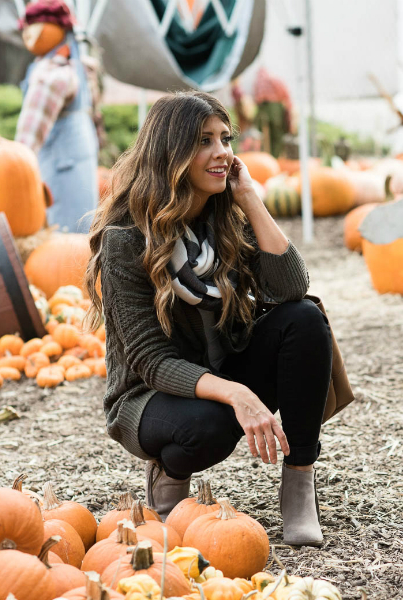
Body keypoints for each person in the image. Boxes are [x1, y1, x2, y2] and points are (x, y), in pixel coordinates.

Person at [84, 92, 332, 547]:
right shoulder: (125, 241)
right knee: (210, 427)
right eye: (204, 141)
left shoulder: (226, 222)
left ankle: (299, 483)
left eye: (225, 138)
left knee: (305, 319)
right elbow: (149, 360)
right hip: (151, 396)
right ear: (170, 155)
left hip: (223, 369)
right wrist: (238, 394)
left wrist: (251, 198)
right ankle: (169, 471)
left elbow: (290, 287)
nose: (222, 152)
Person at [16, 0, 99, 233]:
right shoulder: (80, 65)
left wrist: (16, 167)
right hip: (80, 155)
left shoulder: (52, 75)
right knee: (82, 224)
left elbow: (29, 132)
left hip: (60, 164)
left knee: (64, 228)